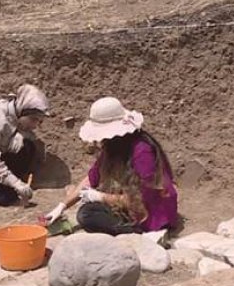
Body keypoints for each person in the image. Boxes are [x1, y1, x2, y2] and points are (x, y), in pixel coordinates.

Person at [44, 97, 178, 235]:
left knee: (88, 215)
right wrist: (62, 206)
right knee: (88, 211)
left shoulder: (142, 151)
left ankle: (140, 232)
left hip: (152, 211)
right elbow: (91, 178)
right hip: (130, 202)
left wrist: (100, 197)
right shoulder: (113, 148)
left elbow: (142, 199)